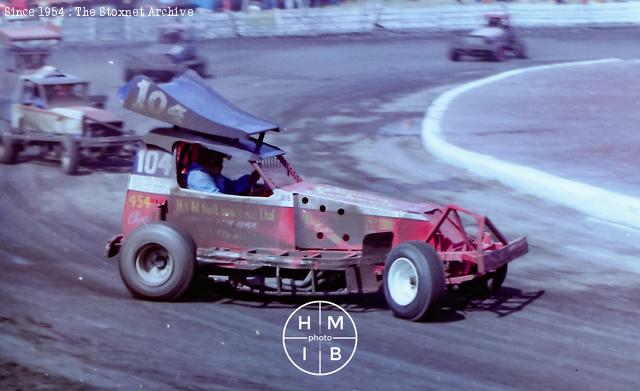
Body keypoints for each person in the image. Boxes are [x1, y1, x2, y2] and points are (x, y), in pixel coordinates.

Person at [186, 149, 260, 195]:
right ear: (210, 161)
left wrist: (249, 179)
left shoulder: (213, 175)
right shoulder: (199, 176)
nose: (222, 166)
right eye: (220, 162)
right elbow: (219, 200)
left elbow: (231, 187)